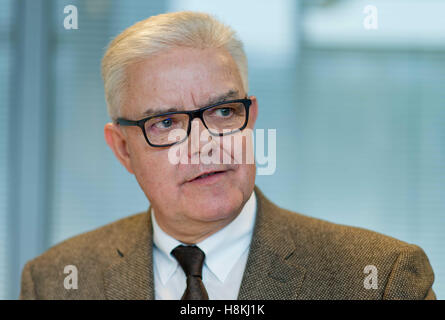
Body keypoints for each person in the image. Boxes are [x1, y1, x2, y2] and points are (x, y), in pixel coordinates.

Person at [20, 11, 435, 300]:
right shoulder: (55, 280)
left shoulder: (382, 278)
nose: (205, 142)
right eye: (166, 122)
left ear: (250, 117)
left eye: (223, 112)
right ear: (123, 149)